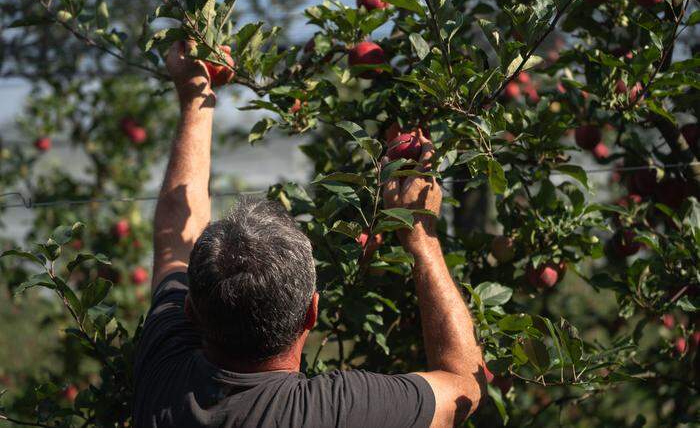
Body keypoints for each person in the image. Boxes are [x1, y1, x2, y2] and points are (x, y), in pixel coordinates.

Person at [133, 41, 485, 428]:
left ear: (189, 311)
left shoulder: (164, 375)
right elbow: (465, 387)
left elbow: (173, 242)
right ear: (311, 312)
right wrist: (421, 238)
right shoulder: (335, 410)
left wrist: (193, 100)